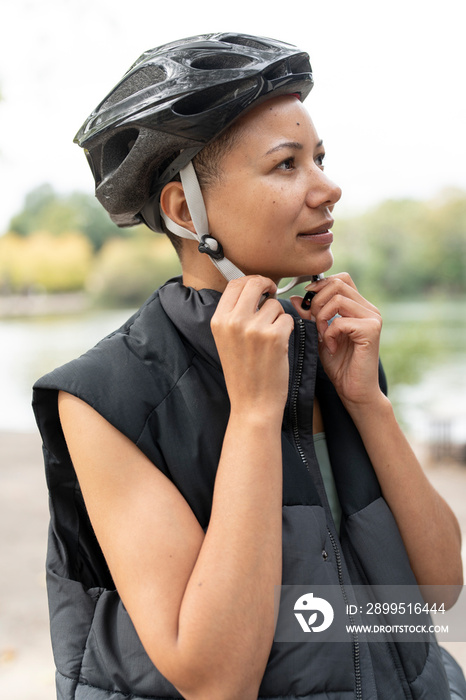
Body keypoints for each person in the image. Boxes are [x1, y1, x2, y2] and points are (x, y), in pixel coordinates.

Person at [33, 33, 465, 700]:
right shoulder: (105, 396)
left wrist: (367, 404)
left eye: (319, 158)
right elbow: (216, 678)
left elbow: (440, 588)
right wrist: (256, 416)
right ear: (185, 211)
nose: (329, 188)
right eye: (286, 166)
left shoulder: (329, 347)